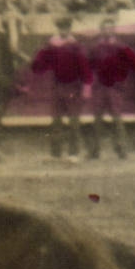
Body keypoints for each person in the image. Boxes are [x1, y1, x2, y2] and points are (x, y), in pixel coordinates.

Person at [30, 15, 91, 163]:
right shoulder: (52, 45)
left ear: (69, 29)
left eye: (66, 27)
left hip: (73, 87)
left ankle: (73, 153)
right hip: (57, 85)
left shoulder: (76, 46)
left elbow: (84, 68)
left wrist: (86, 87)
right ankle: (55, 153)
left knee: (73, 121)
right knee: (56, 120)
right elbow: (42, 63)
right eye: (61, 27)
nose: (63, 30)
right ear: (58, 28)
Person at [87, 22, 135, 160]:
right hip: (100, 87)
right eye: (105, 29)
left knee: (117, 118)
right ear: (101, 30)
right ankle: (94, 151)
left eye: (110, 29)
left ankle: (121, 150)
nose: (107, 31)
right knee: (97, 118)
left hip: (114, 87)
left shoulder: (121, 47)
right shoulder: (95, 47)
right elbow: (89, 66)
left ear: (114, 30)